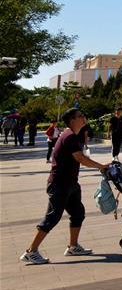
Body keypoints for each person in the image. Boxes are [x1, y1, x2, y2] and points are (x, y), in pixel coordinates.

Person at [19, 108, 108, 265]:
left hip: (70, 183)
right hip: (60, 184)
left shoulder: (72, 135)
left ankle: (73, 247)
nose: (84, 117)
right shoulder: (69, 136)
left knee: (78, 213)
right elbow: (80, 158)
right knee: (52, 217)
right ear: (72, 120)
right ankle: (31, 251)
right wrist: (101, 166)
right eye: (80, 116)